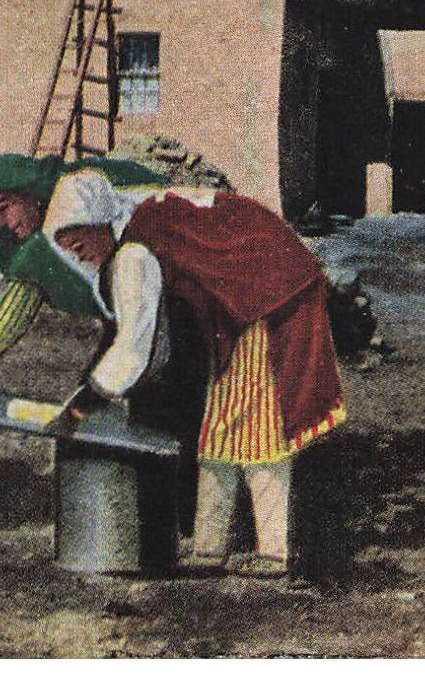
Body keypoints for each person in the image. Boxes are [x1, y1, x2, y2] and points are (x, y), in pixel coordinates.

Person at [43, 170, 346, 578]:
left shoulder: (134, 252)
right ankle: (208, 549)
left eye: (79, 245)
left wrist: (86, 401)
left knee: (258, 426)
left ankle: (274, 552)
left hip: (267, 295)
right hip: (241, 303)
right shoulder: (137, 229)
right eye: (70, 251)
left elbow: (135, 345)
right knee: (218, 430)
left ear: (98, 224)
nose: (79, 256)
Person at [0, 153, 166, 395]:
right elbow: (4, 323)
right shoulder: (42, 247)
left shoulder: (85, 198)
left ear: (29, 192)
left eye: (4, 206)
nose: (0, 224)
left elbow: (1, 327)